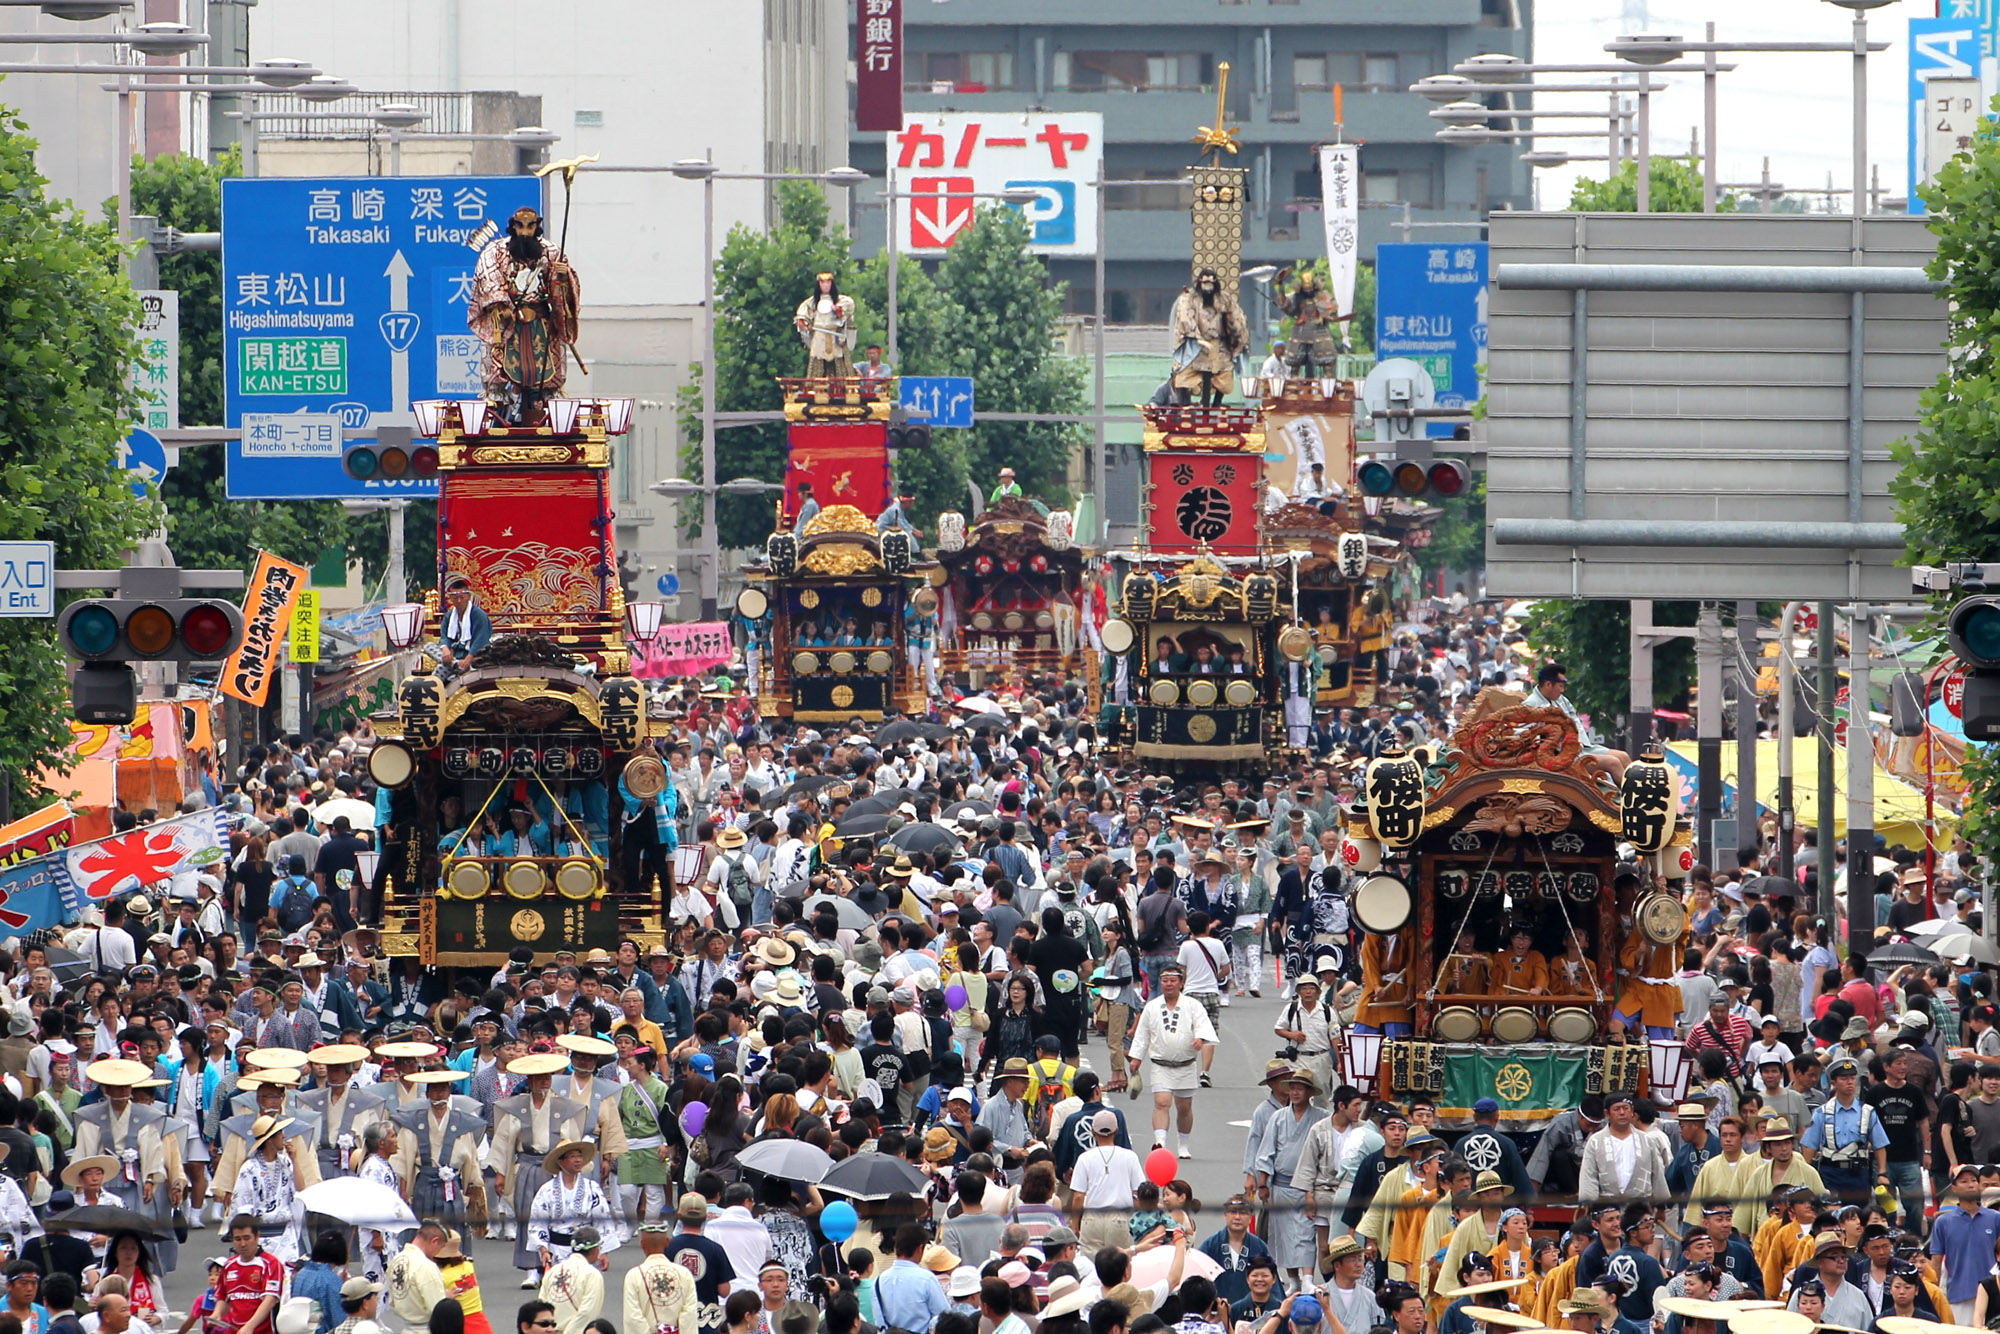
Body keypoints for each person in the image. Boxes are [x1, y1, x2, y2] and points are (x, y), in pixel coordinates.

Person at [466, 206, 581, 419]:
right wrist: (502, 306)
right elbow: (488, 280)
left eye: (530, 226)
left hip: (541, 323)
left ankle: (545, 413)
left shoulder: (552, 252)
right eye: (521, 226)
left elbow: (562, 292)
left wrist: (562, 280)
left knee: (547, 377)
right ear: (513, 226)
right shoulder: (495, 251)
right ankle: (498, 415)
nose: (525, 232)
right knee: (497, 373)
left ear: (537, 226)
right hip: (506, 324)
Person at [1128, 962, 1217, 1161]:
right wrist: (1136, 1058)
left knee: (1184, 1107)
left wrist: (1200, 1038)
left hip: (1185, 1064)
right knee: (1161, 1102)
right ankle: (1160, 1143)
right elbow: (1142, 1035)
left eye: (1173, 980)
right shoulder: (1151, 1007)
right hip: (1161, 1064)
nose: (1168, 984)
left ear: (1181, 983)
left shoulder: (1193, 1006)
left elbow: (1203, 1025)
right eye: (1165, 980)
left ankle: (1183, 1144)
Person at [1169, 267, 1248, 407]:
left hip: (1218, 346)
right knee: (1182, 377)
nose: (1207, 287)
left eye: (1210, 283)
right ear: (1199, 283)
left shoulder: (1225, 299)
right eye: (1204, 283)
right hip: (1194, 346)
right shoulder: (1189, 299)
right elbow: (1185, 319)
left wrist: (1237, 338)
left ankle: (1216, 403)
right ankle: (1184, 406)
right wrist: (1198, 338)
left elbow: (1236, 319)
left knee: (1224, 378)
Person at [217, 1214, 286, 1334]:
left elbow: (270, 1300)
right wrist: (216, 1313)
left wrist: (250, 1326)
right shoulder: (228, 1265)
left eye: (247, 1238)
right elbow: (223, 1297)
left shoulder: (271, 1264)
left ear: (257, 1236)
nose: (243, 1244)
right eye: (238, 1239)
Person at [624, 1224, 699, 1334]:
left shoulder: (634, 1275)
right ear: (667, 1242)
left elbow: (633, 1317)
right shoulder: (684, 1274)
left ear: (642, 1244)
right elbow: (689, 1314)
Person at [539, 1226, 607, 1334]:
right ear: (594, 1250)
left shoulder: (553, 1271)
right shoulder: (592, 1274)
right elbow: (588, 1312)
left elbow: (541, 1305)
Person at [794, 274, 856, 379]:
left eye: (828, 282)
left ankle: (843, 387)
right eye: (822, 283)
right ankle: (815, 388)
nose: (826, 285)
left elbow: (848, 312)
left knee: (840, 363)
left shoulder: (842, 300)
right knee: (816, 363)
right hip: (819, 335)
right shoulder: (811, 302)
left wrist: (838, 310)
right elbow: (802, 315)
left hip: (836, 335)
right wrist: (802, 322)